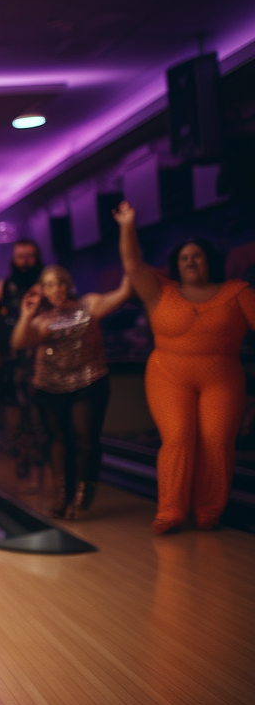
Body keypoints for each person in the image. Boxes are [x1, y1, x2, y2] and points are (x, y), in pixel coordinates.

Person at [114, 202, 255, 533]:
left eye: (197, 256)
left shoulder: (238, 292)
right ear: (176, 265)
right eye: (184, 257)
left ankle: (208, 511)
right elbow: (132, 263)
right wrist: (127, 225)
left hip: (222, 377)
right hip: (169, 374)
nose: (191, 261)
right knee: (178, 438)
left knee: (217, 441)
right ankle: (171, 512)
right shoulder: (160, 291)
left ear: (210, 260)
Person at [11, 265, 131, 519]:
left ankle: (81, 495)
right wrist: (26, 313)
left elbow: (124, 292)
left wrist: (131, 259)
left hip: (88, 381)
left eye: (61, 283)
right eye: (50, 285)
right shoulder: (42, 320)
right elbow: (20, 342)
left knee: (84, 438)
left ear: (69, 284)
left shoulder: (89, 306)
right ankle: (61, 494)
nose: (57, 289)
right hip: (49, 386)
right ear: (42, 290)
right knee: (57, 439)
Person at [0, 238, 45, 481]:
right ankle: (19, 453)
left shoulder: (46, 285)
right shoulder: (3, 286)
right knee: (13, 410)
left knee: (39, 412)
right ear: (13, 259)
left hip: (41, 358)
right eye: (21, 256)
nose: (25, 261)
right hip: (11, 359)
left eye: (30, 256)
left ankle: (39, 458)